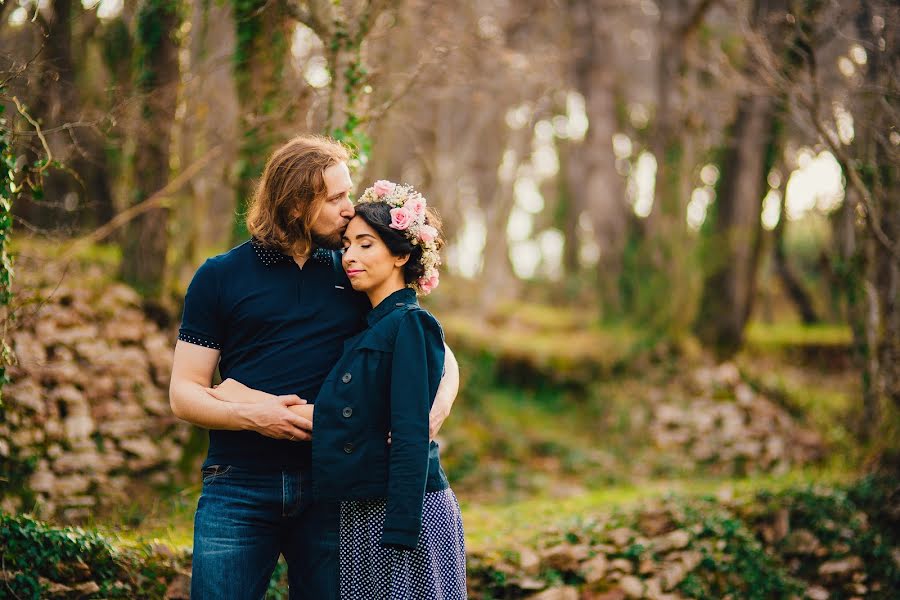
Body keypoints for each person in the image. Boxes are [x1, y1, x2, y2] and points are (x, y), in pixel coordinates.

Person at [168, 136, 459, 600]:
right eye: (337, 197)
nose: (350, 208)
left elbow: (428, 343)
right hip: (238, 485)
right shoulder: (220, 276)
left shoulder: (353, 267)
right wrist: (254, 415)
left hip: (334, 491)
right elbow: (184, 392)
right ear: (297, 202)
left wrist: (432, 414)